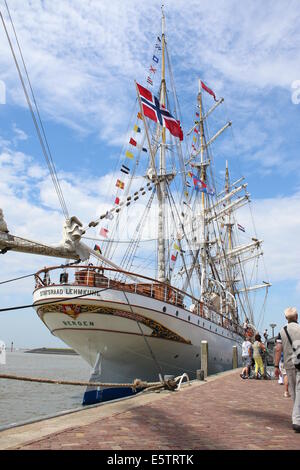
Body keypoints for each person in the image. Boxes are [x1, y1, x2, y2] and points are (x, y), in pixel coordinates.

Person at [274, 307, 300, 432]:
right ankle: (296, 420)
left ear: (286, 318)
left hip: (289, 365)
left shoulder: (282, 331)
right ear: (297, 317)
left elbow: (278, 349)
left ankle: (297, 418)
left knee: (294, 392)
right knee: (299, 391)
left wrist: (275, 366)